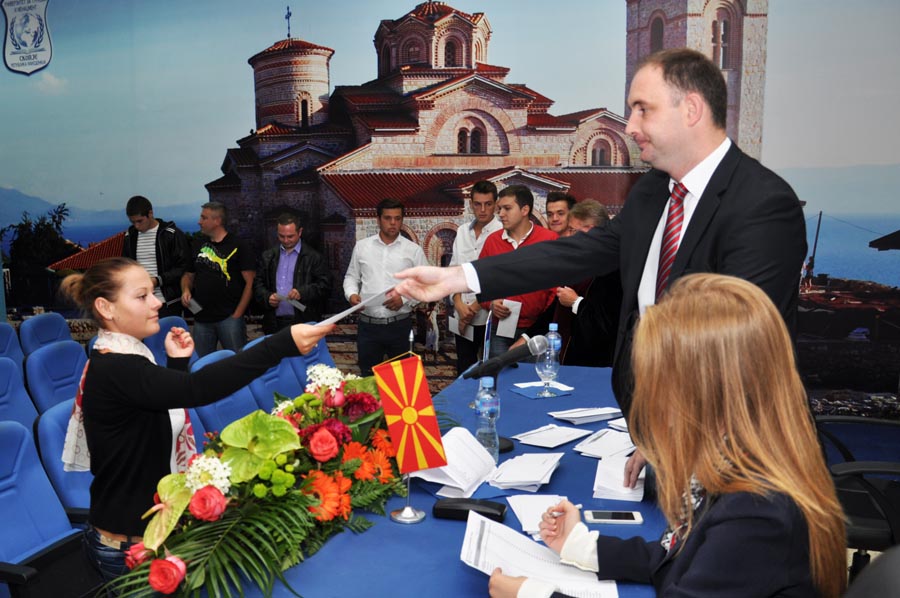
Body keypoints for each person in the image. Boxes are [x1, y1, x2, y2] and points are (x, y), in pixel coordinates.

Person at [392, 48, 806, 486]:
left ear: (691, 109)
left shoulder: (763, 205)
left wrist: (675, 432)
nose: (629, 127)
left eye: (643, 109)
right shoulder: (653, 192)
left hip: (733, 450)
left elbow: (740, 349)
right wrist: (458, 277)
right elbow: (575, 254)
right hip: (658, 430)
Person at [488, 274, 847, 598]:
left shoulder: (755, 512)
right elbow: (678, 557)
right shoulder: (739, 460)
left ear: (701, 390)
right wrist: (581, 546)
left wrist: (534, 594)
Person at [59, 257, 332, 583]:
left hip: (147, 533)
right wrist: (280, 344)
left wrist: (176, 364)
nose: (157, 303)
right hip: (128, 547)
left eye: (153, 293)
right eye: (142, 296)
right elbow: (197, 389)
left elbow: (156, 412)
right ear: (106, 307)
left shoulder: (127, 359)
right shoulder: (117, 368)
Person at [342, 198, 427, 376]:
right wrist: (352, 295)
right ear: (378, 219)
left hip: (399, 326)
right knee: (368, 380)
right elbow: (351, 277)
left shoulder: (413, 250)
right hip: (368, 326)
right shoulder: (362, 247)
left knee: (401, 382)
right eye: (388, 218)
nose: (393, 223)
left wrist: (404, 299)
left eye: (397, 218)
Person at [479, 185, 557, 358]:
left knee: (533, 374)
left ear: (524, 210)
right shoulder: (492, 241)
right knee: (499, 373)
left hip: (536, 330)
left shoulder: (549, 240)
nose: (501, 214)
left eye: (507, 208)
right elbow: (480, 284)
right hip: (500, 329)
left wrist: (541, 322)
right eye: (500, 209)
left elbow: (556, 289)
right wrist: (490, 303)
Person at [180, 202, 256, 355]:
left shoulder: (239, 245)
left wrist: (238, 314)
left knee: (236, 362)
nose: (199, 222)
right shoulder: (197, 244)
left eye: (204, 218)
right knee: (202, 364)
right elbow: (188, 275)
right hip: (201, 318)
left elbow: (251, 282)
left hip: (229, 318)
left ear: (217, 221)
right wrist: (185, 290)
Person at [554, 200, 621, 367]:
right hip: (567, 356)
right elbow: (557, 304)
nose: (568, 236)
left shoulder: (613, 267)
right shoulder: (577, 262)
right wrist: (526, 337)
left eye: (573, 230)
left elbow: (607, 324)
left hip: (596, 364)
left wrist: (576, 302)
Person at [449, 181, 502, 375]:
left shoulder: (502, 232)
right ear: (471, 204)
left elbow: (498, 277)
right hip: (462, 313)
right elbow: (454, 271)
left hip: (490, 316)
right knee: (464, 369)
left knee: (492, 370)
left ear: (495, 204)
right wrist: (458, 303)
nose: (483, 210)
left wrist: (473, 308)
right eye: (478, 204)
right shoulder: (462, 231)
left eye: (488, 204)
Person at [254, 212, 332, 331]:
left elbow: (325, 286)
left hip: (304, 323)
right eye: (281, 236)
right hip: (273, 323)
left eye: (290, 236)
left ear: (300, 232)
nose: (286, 240)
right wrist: (267, 297)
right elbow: (257, 285)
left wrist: (302, 292)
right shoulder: (268, 256)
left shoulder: (314, 257)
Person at [122, 195, 190, 318]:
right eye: (133, 222)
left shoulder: (171, 235)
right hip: (140, 304)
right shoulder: (130, 236)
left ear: (150, 213)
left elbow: (182, 268)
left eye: (140, 221)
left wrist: (158, 280)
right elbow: (126, 266)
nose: (136, 226)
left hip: (167, 303)